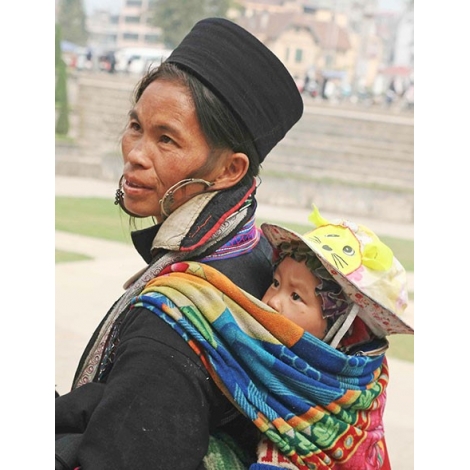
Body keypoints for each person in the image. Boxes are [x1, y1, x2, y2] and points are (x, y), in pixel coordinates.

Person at [55, 17, 303, 470]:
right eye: (136, 126)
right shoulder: (261, 257)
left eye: (166, 139)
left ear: (229, 170)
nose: (135, 152)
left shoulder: (172, 328)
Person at [123, 204, 413, 469]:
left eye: (296, 296)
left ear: (344, 329)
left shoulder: (355, 389)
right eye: (276, 283)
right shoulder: (264, 348)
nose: (273, 301)